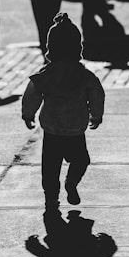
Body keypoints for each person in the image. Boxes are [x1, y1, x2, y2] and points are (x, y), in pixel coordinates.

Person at [21, 12, 105, 211]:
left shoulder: (46, 75)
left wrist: (28, 114)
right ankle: (71, 183)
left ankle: (51, 198)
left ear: (50, 48)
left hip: (52, 130)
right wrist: (97, 114)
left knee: (50, 169)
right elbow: (97, 94)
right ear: (78, 47)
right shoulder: (84, 75)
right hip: (76, 128)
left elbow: (32, 94)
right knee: (81, 160)